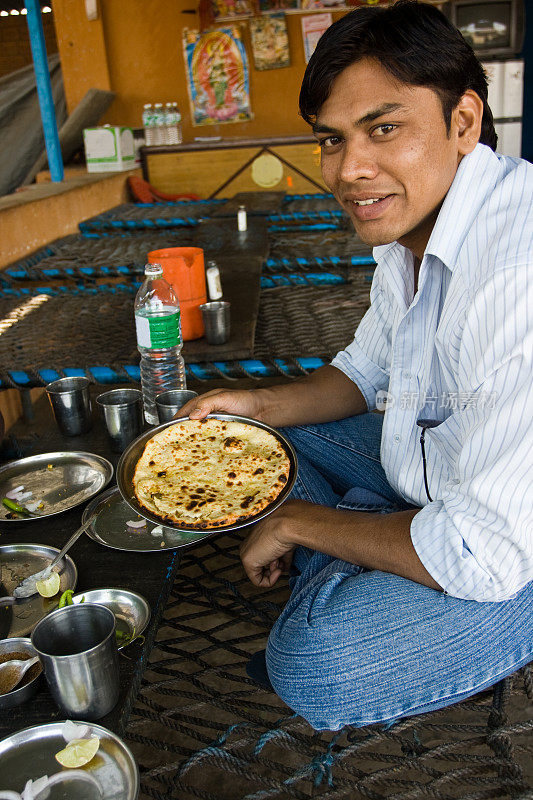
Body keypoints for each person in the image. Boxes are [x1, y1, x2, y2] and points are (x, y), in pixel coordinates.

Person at [180, 0, 533, 730]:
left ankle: (355, 557)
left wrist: (304, 524)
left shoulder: (514, 270)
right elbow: (362, 373)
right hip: (444, 480)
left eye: (383, 128)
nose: (349, 170)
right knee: (250, 447)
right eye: (331, 140)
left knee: (315, 663)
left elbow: (484, 547)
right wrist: (256, 408)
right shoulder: (407, 236)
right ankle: (377, 552)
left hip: (511, 547)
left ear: (463, 122)